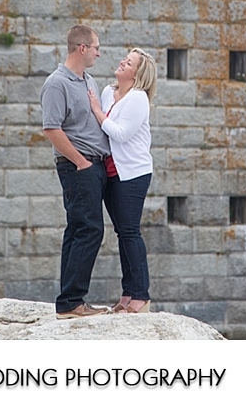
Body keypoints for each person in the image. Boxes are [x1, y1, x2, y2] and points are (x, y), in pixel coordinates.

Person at [40, 25, 111, 319]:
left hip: (95, 165)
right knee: (89, 229)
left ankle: (70, 300)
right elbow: (51, 128)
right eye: (96, 47)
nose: (98, 51)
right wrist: (80, 161)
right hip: (78, 167)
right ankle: (71, 301)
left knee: (78, 229)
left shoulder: (89, 81)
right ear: (82, 48)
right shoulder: (57, 83)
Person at [88, 48, 157, 314]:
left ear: (137, 73)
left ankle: (140, 295)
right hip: (111, 173)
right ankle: (128, 293)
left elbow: (120, 134)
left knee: (130, 231)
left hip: (133, 173)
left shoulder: (138, 98)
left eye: (128, 62)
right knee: (122, 233)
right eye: (124, 59)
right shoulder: (108, 92)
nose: (122, 62)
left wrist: (97, 111)